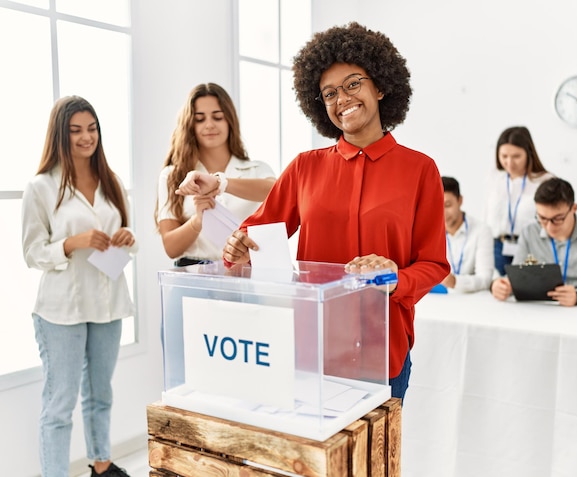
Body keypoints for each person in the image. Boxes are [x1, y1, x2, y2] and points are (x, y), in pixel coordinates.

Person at [177, 23, 450, 401]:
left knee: (377, 460)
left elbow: (434, 264)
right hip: (313, 350)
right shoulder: (305, 168)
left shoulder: (420, 170)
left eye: (353, 84)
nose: (342, 99)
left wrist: (394, 278)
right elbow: (254, 233)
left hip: (385, 350)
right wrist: (237, 246)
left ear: (381, 86)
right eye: (329, 93)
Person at [21, 96, 136, 477]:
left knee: (100, 394)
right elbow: (32, 252)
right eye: (76, 131)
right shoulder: (41, 187)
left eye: (92, 128)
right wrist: (73, 242)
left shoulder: (111, 180)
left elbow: (132, 240)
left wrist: (124, 237)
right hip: (61, 311)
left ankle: (101, 465)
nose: (86, 137)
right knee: (59, 404)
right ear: (60, 135)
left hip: (107, 304)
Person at [155, 82, 276, 265]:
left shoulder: (257, 169)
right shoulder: (172, 175)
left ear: (229, 120)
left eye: (218, 117)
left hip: (246, 274)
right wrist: (197, 220)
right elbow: (171, 248)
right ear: (190, 124)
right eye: (200, 119)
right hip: (193, 279)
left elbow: (276, 191)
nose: (209, 125)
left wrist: (221, 183)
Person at [491, 177, 577, 306]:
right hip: (542, 310)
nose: (549, 226)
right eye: (542, 218)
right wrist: (500, 286)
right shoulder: (529, 232)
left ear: (574, 208)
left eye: (558, 218)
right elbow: (516, 279)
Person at [484, 126, 553, 276]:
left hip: (531, 246)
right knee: (499, 292)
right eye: (504, 156)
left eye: (516, 156)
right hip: (498, 246)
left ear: (528, 153)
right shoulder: (495, 177)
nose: (509, 163)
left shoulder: (545, 181)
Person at [439, 176, 494, 292]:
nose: (442, 213)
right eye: (437, 207)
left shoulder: (482, 231)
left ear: (460, 201)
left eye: (447, 205)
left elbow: (485, 279)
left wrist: (455, 282)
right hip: (438, 300)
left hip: (471, 301)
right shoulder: (429, 233)